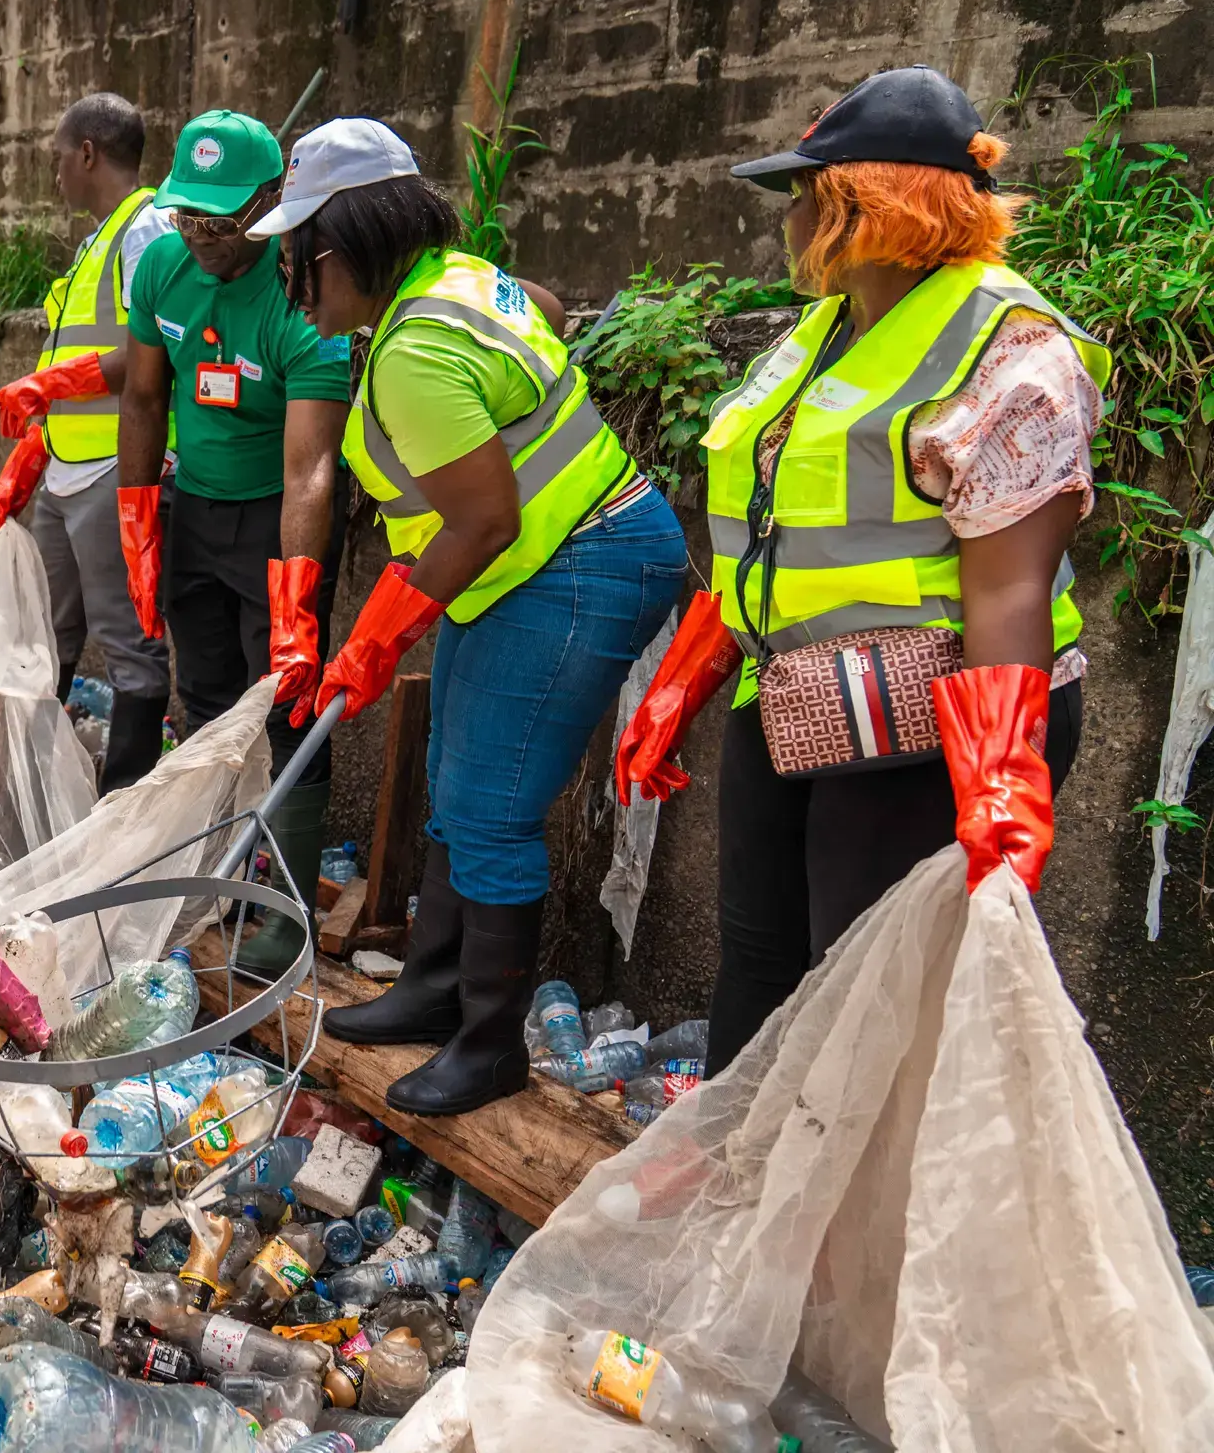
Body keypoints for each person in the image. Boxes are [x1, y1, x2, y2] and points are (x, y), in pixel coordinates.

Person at [614, 65, 1104, 1076]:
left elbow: (1008, 584)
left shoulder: (1008, 346)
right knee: (757, 957)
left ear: (857, 207)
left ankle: (848, 1220)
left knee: (867, 988)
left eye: (801, 192)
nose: (786, 218)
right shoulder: (822, 335)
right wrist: (683, 681)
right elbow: (769, 531)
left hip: (931, 724)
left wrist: (998, 792)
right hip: (795, 694)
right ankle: (748, 1182)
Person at [250, 119, 688, 1115]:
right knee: (454, 774)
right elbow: (545, 309)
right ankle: (434, 986)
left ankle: (486, 1042)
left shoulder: (413, 347)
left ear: (334, 248)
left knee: (490, 804)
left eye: (293, 260)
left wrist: (373, 633)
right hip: (520, 566)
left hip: (568, 563)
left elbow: (485, 517)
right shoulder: (459, 280)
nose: (291, 283)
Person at [116, 109, 353, 976]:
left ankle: (285, 913)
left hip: (276, 518)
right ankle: (214, 875)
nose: (207, 237)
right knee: (205, 697)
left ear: (271, 200)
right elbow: (143, 399)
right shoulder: (162, 269)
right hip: (194, 511)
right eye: (191, 217)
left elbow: (311, 470)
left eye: (226, 219)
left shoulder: (306, 300)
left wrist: (295, 594)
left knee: (288, 708)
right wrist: (139, 520)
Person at [0, 93, 175, 791]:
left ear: (88, 152)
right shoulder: (99, 238)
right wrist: (36, 442)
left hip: (115, 469)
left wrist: (49, 385)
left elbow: (152, 352)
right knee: (47, 632)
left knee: (128, 644)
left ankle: (123, 800)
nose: (55, 172)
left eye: (59, 157)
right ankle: (30, 785)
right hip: (68, 468)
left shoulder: (146, 231)